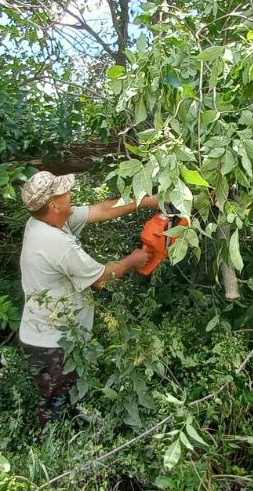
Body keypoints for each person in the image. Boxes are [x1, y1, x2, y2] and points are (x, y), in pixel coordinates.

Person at [17, 171, 153, 426]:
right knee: (55, 403)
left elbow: (102, 210)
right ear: (53, 204)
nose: (70, 193)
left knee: (63, 395)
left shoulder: (46, 221)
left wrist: (148, 200)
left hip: (47, 336)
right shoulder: (55, 243)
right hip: (52, 343)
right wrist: (132, 261)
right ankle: (54, 453)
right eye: (63, 192)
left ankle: (67, 435)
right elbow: (101, 278)